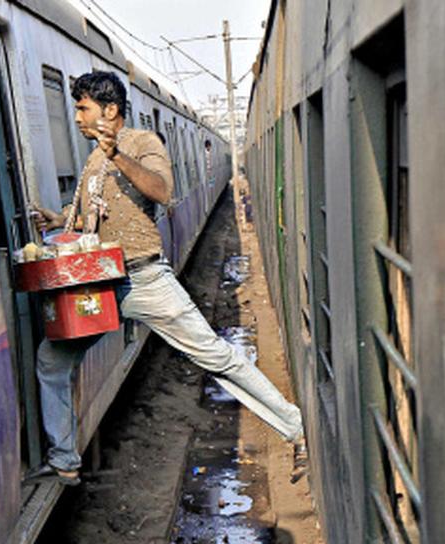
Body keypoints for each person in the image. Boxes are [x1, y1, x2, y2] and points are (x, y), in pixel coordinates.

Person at [27, 71, 304, 485]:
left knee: (213, 353)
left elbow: (161, 190)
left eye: (82, 107)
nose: (77, 116)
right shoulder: (92, 160)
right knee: (53, 359)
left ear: (110, 110)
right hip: (100, 284)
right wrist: (58, 217)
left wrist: (118, 154)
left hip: (141, 278)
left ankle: (293, 426)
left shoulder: (142, 143)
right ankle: (65, 458)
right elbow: (95, 215)